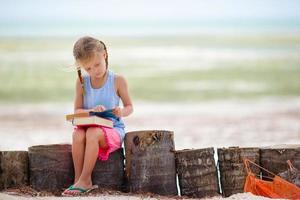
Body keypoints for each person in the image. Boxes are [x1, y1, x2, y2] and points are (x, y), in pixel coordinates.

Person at [62, 36, 133, 196]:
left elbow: (130, 107)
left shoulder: (117, 80)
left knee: (92, 133)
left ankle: (86, 180)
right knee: (78, 134)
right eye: (88, 68)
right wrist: (91, 110)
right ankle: (78, 180)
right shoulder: (81, 82)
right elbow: (77, 110)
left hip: (112, 129)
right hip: (89, 127)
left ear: (105, 55)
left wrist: (121, 111)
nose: (94, 71)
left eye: (97, 64)